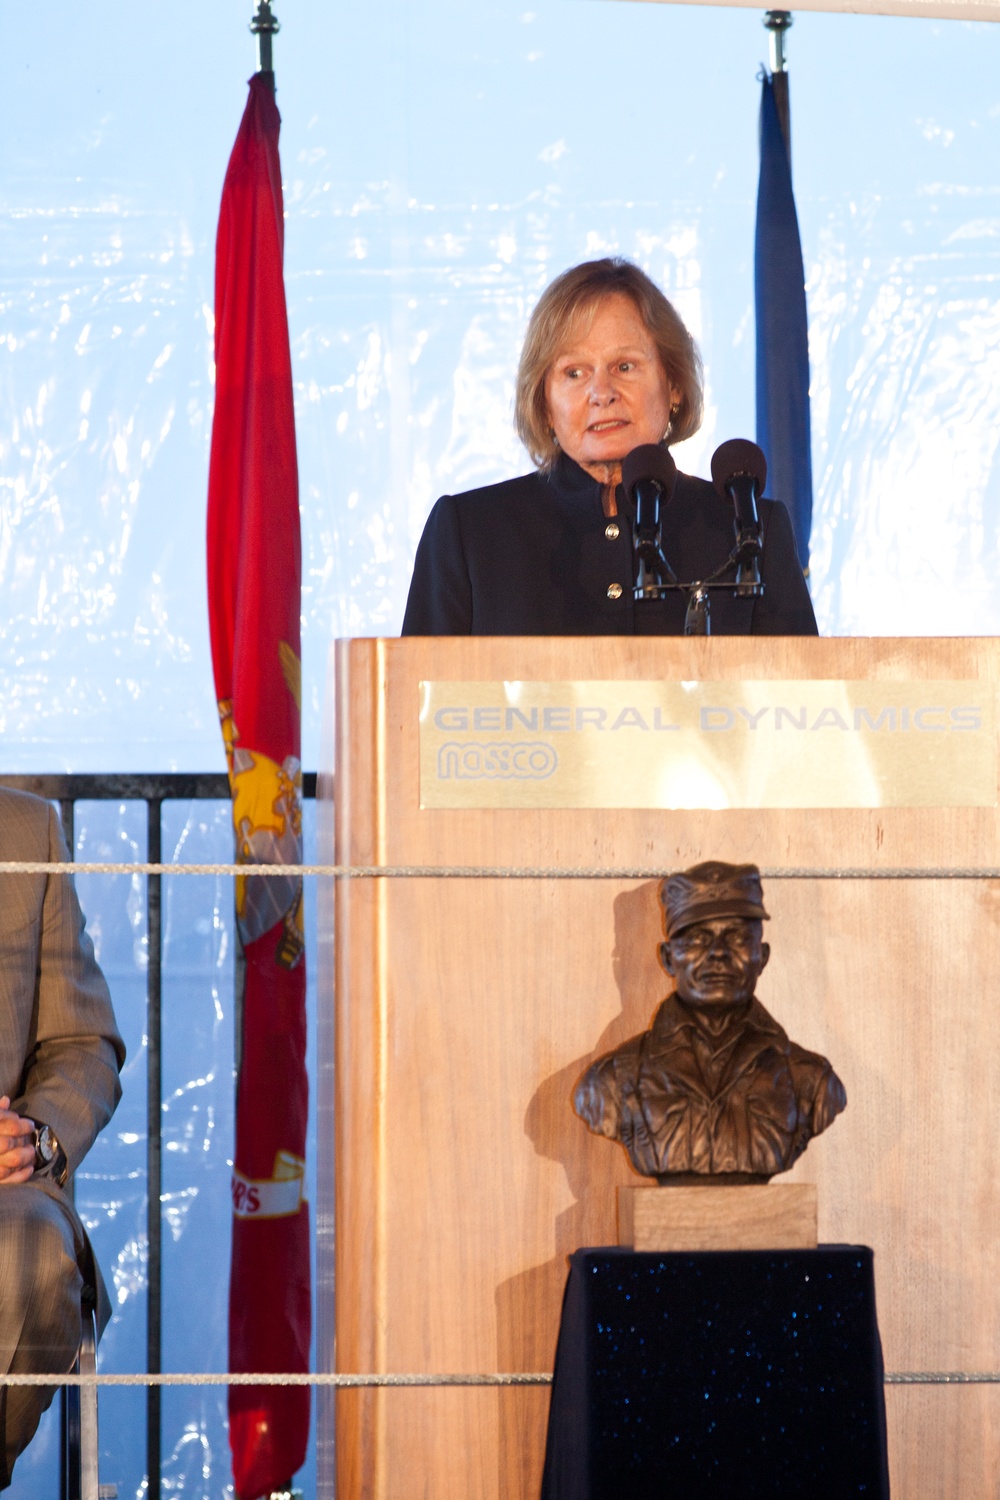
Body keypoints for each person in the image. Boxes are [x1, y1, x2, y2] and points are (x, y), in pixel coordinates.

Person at [402, 257, 817, 636]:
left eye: (624, 366)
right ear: (545, 403)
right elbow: (416, 706)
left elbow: (805, 705)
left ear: (673, 385)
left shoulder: (749, 530)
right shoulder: (470, 533)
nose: (602, 392)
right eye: (574, 372)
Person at [0, 787, 125, 1489]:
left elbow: (83, 1042)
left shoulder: (26, 830)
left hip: (1, 1189)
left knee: (31, 1251)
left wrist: (34, 1142)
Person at [574, 861, 845, 1179]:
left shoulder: (811, 1081)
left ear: (763, 957)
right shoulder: (611, 1082)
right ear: (667, 959)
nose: (718, 953)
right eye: (698, 939)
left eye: (738, 938)